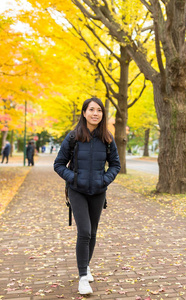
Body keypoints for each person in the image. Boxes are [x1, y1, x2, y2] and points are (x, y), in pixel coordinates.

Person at [54, 97, 120, 295]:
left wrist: (104, 179)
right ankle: (83, 277)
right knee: (84, 231)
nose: (95, 113)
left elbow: (115, 165)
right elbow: (58, 164)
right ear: (84, 113)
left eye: (99, 110)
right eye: (91, 109)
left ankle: (86, 266)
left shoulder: (107, 138)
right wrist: (74, 179)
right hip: (77, 191)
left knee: (92, 232)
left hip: (98, 191)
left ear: (102, 114)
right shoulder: (73, 137)